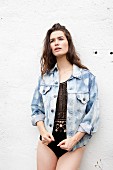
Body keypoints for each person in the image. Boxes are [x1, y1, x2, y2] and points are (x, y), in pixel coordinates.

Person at [31, 23, 99, 170]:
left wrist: (74, 140)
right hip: (47, 143)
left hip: (73, 144)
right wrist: (43, 132)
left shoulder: (87, 78)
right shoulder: (45, 78)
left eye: (60, 39)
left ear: (68, 42)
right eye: (52, 41)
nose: (56, 43)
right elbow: (36, 109)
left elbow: (92, 116)